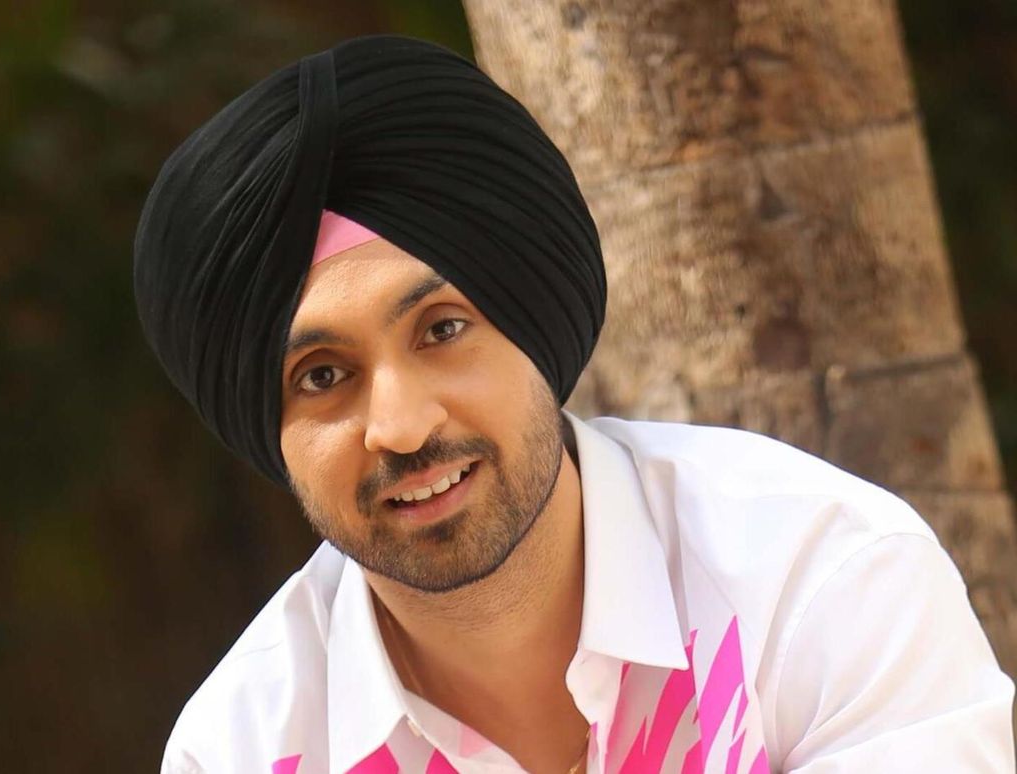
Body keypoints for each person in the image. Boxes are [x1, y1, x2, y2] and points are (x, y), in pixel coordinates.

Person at [133, 35, 1014, 774]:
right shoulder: (249, 747)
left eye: (443, 329)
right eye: (322, 376)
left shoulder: (816, 584)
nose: (401, 426)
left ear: (531, 323)